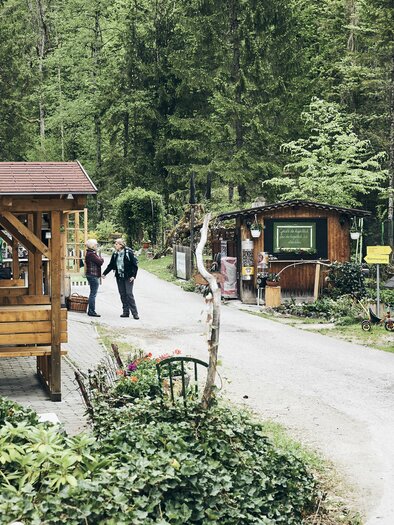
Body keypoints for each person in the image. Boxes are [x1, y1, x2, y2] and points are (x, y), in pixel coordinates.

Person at [102, 238, 139, 319]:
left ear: (121, 245)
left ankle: (135, 313)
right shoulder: (115, 254)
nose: (115, 245)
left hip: (128, 276)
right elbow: (111, 265)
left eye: (116, 244)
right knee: (122, 294)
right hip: (119, 277)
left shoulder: (128, 253)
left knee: (129, 294)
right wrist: (104, 273)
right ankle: (125, 312)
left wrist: (133, 276)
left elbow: (135, 265)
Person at [84, 239, 104, 317]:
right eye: (96, 245)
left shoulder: (91, 253)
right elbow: (100, 262)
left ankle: (91, 310)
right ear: (92, 246)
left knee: (92, 293)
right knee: (93, 294)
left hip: (91, 275)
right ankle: (91, 311)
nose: (97, 246)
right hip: (93, 275)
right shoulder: (91, 254)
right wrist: (101, 258)